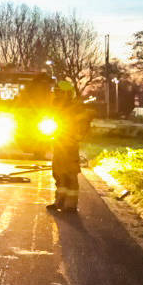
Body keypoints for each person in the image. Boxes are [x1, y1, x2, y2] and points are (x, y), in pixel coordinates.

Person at [47, 81, 90, 213]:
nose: (56, 94)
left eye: (59, 92)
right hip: (59, 144)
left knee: (70, 174)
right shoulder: (56, 106)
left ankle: (70, 205)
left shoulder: (75, 108)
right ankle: (59, 201)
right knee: (58, 173)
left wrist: (77, 137)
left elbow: (84, 124)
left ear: (66, 93)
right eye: (56, 91)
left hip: (70, 146)